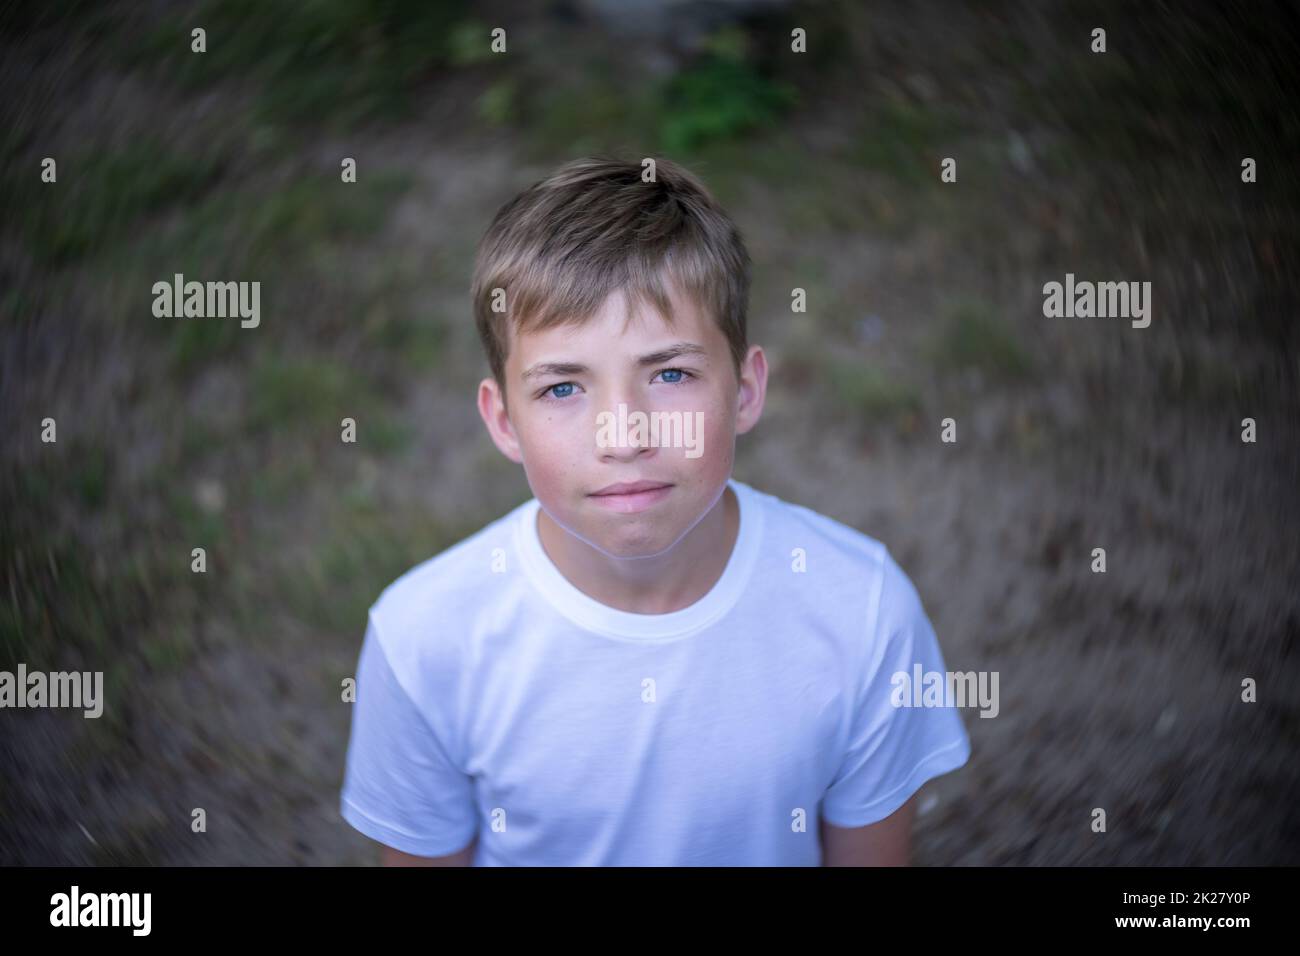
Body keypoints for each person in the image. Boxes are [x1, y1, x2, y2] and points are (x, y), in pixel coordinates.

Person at [339, 155, 970, 866]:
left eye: (671, 374)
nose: (625, 435)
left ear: (746, 389)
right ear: (504, 420)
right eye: (562, 389)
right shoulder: (424, 639)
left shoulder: (862, 611)